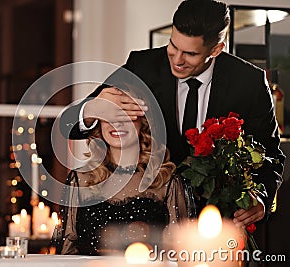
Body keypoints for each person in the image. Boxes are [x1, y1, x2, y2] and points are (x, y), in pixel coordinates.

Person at [59, 0, 285, 228]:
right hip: (154, 218)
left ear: (216, 49)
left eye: (190, 53)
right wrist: (90, 109)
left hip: (219, 222)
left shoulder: (249, 82)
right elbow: (67, 125)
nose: (177, 60)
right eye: (173, 46)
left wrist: (262, 199)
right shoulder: (142, 66)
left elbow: (271, 155)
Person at [54, 89, 193, 255]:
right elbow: (66, 252)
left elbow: (179, 254)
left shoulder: (167, 182)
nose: (117, 123)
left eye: (126, 115)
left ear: (144, 122)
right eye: (109, 116)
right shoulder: (79, 179)